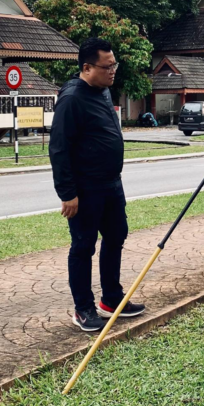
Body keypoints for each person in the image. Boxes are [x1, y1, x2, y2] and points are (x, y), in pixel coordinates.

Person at [50, 37, 145, 332]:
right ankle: (83, 308)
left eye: (114, 64)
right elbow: (59, 148)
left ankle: (112, 300)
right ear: (87, 67)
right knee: (83, 247)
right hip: (85, 188)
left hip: (110, 184)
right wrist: (68, 193)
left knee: (116, 236)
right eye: (107, 66)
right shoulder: (72, 98)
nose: (113, 70)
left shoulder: (103, 90)